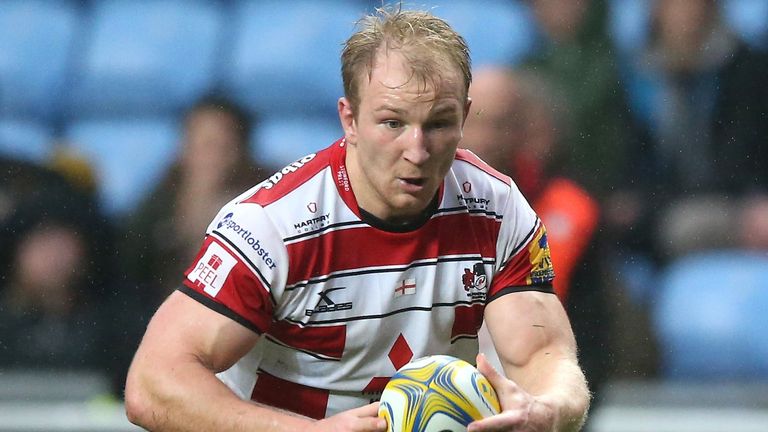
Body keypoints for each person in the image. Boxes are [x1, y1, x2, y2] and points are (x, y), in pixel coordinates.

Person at [125, 7, 590, 432]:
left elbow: (543, 354)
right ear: (349, 119)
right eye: (393, 123)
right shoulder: (271, 226)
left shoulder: (498, 207)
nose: (417, 151)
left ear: (465, 117)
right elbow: (152, 384)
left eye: (439, 123)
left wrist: (547, 408)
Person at [462, 66, 610, 425]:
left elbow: (591, 336)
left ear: (521, 130)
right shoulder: (417, 203)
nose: (483, 137)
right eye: (473, 121)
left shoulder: (571, 209)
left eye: (497, 123)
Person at [121, 94, 272, 304]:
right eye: (202, 144)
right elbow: (133, 270)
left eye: (222, 146)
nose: (211, 157)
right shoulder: (160, 199)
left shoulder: (268, 196)